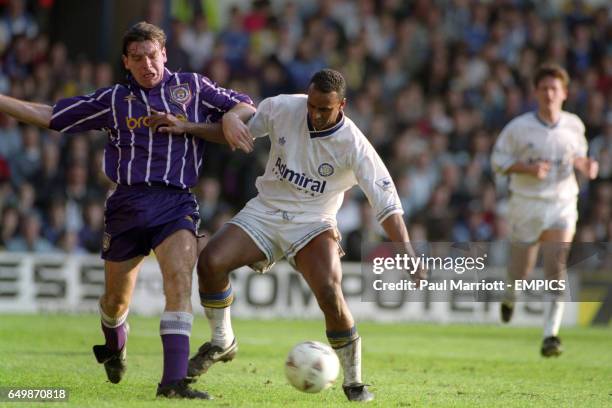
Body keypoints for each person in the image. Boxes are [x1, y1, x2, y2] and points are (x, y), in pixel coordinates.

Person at [0, 21, 256, 399]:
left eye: (152, 55)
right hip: (127, 205)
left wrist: (229, 117)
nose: (147, 64)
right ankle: (114, 345)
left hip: (175, 200)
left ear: (164, 54)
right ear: (126, 62)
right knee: (115, 301)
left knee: (179, 282)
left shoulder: (193, 87)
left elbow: (246, 105)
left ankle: (172, 384)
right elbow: (49, 115)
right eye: (137, 58)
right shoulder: (114, 99)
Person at [185, 69, 414, 402]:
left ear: (342, 105)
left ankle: (354, 382)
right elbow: (236, 132)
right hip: (265, 210)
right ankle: (223, 341)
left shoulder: (354, 145)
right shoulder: (283, 107)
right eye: (312, 105)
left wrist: (406, 251)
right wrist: (189, 127)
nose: (316, 114)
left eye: (325, 109)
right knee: (210, 262)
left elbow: (387, 204)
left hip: (313, 222)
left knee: (328, 289)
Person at [491, 64, 598, 357]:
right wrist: (527, 168)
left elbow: (580, 156)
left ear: (564, 93)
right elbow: (498, 162)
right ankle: (510, 297)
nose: (549, 94)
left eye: (555, 88)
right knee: (521, 269)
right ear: (536, 92)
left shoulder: (574, 125)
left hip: (561, 202)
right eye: (544, 88)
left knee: (556, 265)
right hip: (526, 203)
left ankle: (551, 334)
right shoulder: (518, 128)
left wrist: (585, 165)